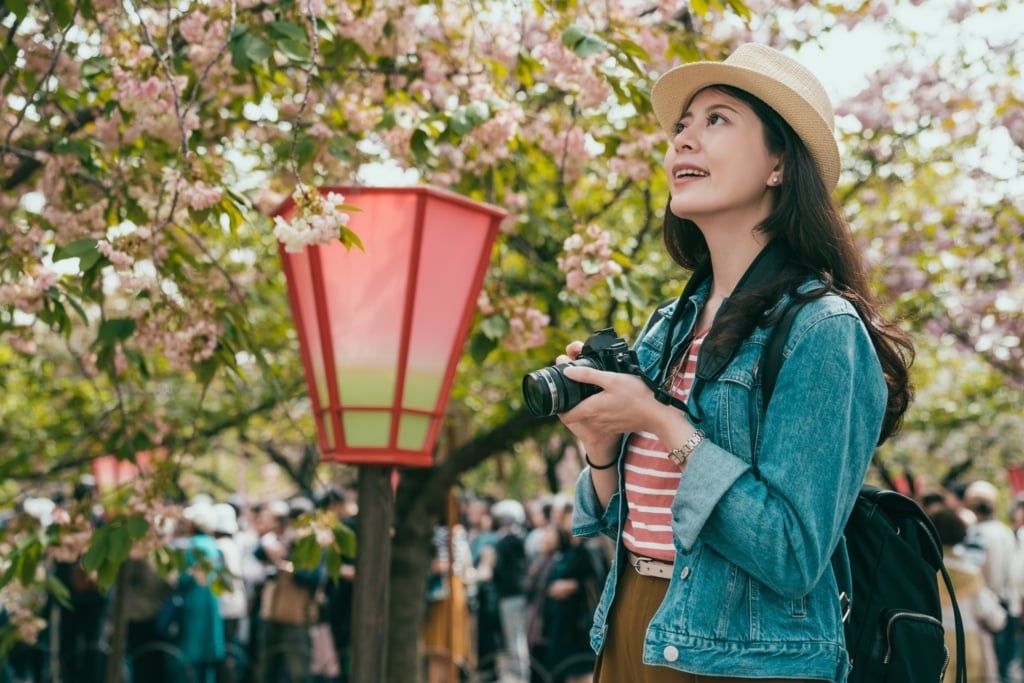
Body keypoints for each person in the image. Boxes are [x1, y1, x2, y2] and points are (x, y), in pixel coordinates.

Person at [556, 42, 915, 681]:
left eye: (716, 119)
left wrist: (666, 426)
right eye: (681, 126)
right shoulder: (669, 324)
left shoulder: (822, 331)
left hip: (741, 661)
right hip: (632, 629)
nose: (684, 141)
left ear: (779, 162)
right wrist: (599, 445)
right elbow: (623, 518)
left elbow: (792, 552)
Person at [927, 503, 1005, 682]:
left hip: (934, 643)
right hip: (968, 644)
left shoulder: (926, 571)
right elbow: (990, 615)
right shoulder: (970, 572)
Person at [962, 480, 1022, 683]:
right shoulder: (1004, 531)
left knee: (990, 668)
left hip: (988, 607)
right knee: (1004, 667)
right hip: (1010, 604)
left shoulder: (977, 533)